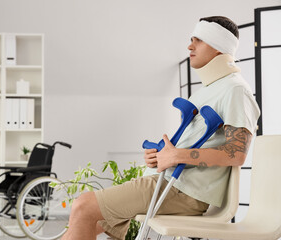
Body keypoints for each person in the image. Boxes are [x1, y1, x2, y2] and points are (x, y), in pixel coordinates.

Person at [61, 16, 260, 240]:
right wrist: (163, 155)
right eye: (191, 39)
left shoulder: (235, 90)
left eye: (199, 41)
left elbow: (237, 154)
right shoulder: (209, 89)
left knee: (83, 206)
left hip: (185, 191)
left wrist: (177, 155)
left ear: (219, 47)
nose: (190, 46)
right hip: (171, 181)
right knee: (86, 219)